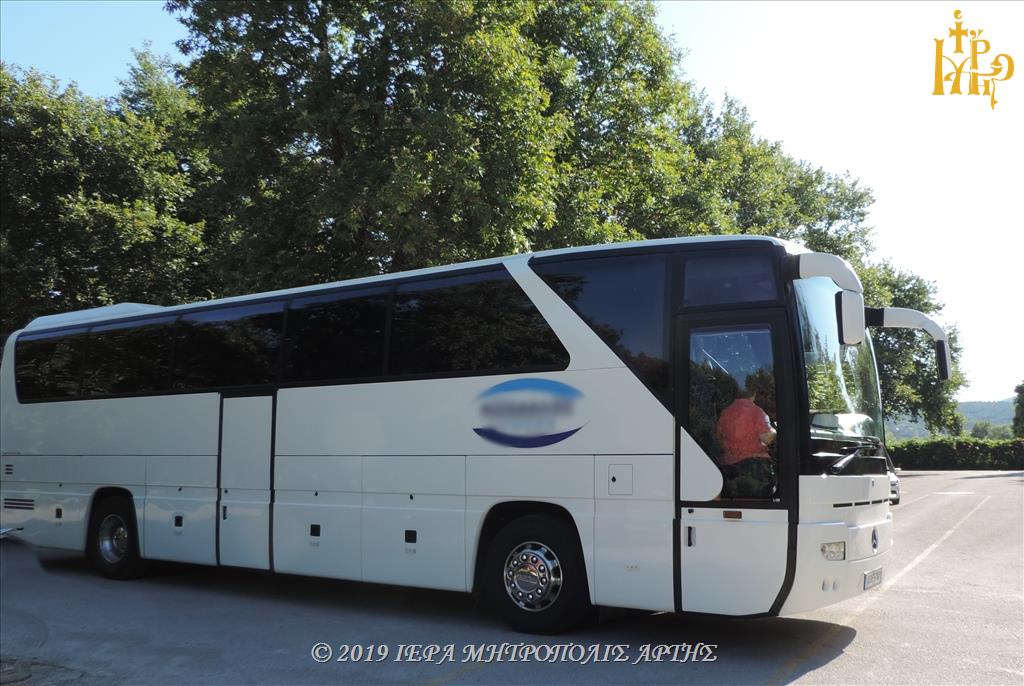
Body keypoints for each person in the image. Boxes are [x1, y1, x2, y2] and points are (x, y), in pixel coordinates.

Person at [715, 396, 777, 499]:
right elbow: (767, 438)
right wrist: (775, 432)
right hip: (754, 468)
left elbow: (719, 438)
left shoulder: (725, 412)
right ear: (754, 393)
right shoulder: (756, 411)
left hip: (729, 469)